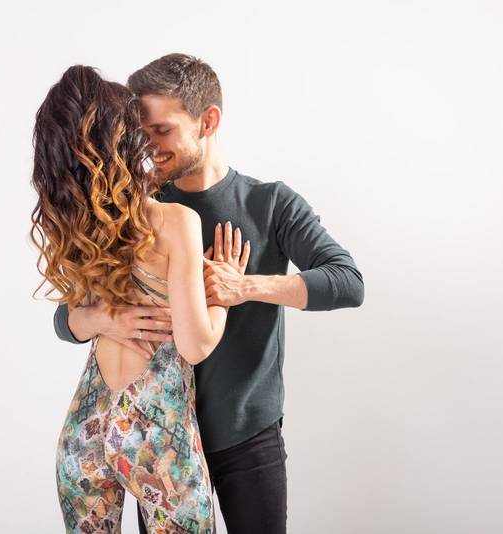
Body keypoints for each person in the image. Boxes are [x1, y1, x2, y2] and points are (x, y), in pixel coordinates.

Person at [53, 54, 365, 534]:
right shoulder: (141, 208)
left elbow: (347, 282)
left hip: (247, 437)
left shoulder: (269, 203)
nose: (148, 146)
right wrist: (103, 320)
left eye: (161, 130)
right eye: (140, 132)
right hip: (159, 438)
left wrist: (245, 286)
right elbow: (66, 316)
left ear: (208, 121)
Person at [31, 65, 240, 533]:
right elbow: (195, 346)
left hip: (85, 430)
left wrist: (103, 320)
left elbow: (73, 320)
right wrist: (222, 294)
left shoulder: (80, 229)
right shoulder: (174, 221)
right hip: (153, 434)